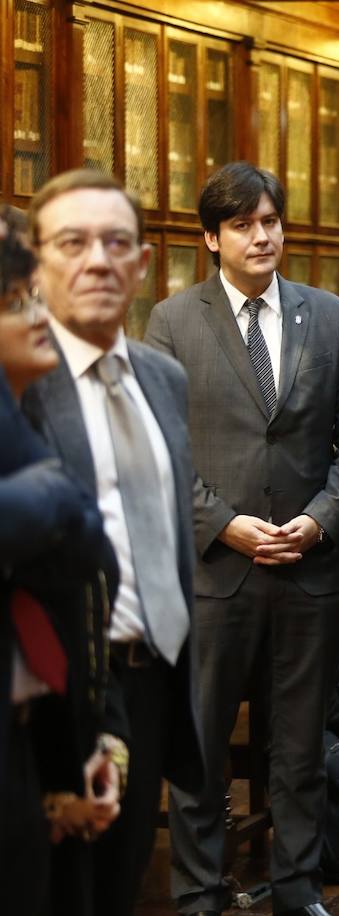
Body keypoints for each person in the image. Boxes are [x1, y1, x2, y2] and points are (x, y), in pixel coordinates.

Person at [145, 162, 339, 916]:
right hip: (215, 570)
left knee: (300, 748)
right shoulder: (173, 320)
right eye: (242, 225)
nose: (261, 235)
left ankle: (299, 888)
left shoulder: (328, 314)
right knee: (201, 747)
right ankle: (201, 889)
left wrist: (321, 519)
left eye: (270, 221)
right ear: (211, 238)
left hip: (309, 567)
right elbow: (161, 447)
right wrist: (224, 524)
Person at [21, 168, 204, 916]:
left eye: (115, 243)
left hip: (154, 678)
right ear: (36, 264)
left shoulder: (162, 376)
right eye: (73, 242)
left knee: (125, 885)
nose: (97, 259)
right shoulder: (20, 380)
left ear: (143, 263)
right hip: (56, 692)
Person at [0, 205, 121, 916]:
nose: (38, 315)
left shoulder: (28, 412)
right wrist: (51, 497)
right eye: (17, 302)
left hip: (33, 738)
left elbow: (88, 553)